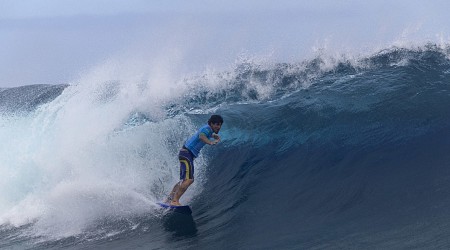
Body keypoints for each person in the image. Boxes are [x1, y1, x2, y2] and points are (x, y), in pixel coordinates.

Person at [165, 115, 224, 206]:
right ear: (211, 123)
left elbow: (206, 133)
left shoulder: (208, 129)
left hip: (185, 153)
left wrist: (214, 135)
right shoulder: (207, 129)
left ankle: (169, 199)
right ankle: (175, 201)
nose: (218, 127)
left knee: (184, 180)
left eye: (220, 125)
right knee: (189, 180)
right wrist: (210, 142)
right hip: (187, 153)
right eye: (216, 124)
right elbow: (201, 136)